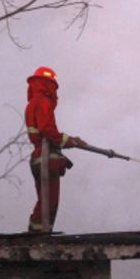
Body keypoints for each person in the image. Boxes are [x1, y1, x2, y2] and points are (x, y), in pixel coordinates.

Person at [25, 66, 85, 232]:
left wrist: (71, 140)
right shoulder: (43, 102)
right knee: (49, 202)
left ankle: (37, 232)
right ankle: (40, 235)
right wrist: (70, 141)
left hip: (39, 157)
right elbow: (48, 130)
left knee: (45, 200)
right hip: (45, 158)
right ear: (47, 85)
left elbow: (45, 133)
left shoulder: (32, 103)